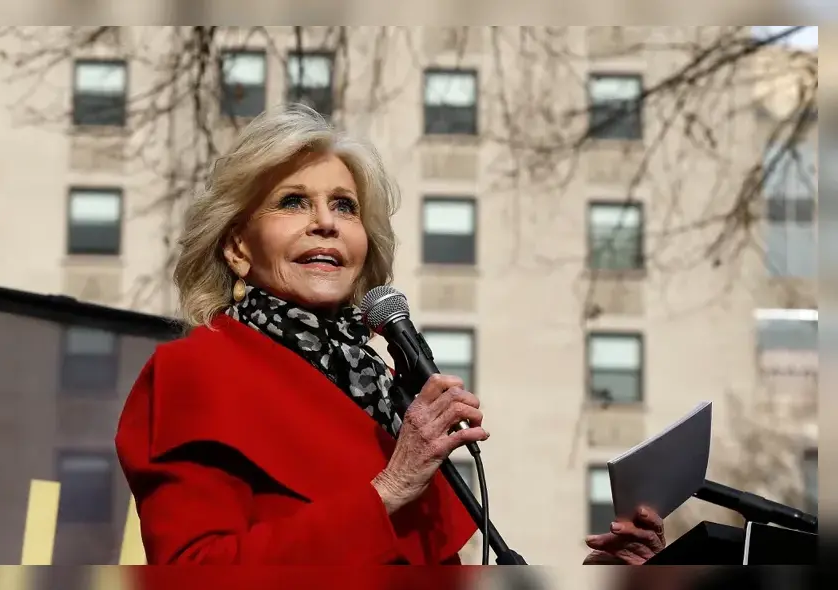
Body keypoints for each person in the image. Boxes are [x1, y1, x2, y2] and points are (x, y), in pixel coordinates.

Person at [114, 103, 666, 565]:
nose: (325, 222)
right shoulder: (197, 370)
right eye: (292, 202)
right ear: (237, 248)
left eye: (343, 206)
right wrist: (389, 490)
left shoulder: (385, 395)